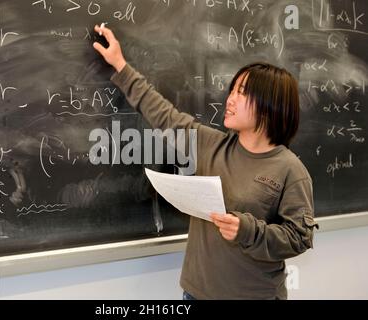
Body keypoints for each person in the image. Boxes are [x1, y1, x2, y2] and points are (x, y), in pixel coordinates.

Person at [92, 25, 318, 300]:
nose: (230, 99)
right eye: (232, 90)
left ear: (269, 104)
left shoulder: (290, 169)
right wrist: (119, 64)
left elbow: (299, 237)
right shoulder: (211, 145)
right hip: (196, 293)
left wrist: (248, 230)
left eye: (242, 92)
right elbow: (164, 115)